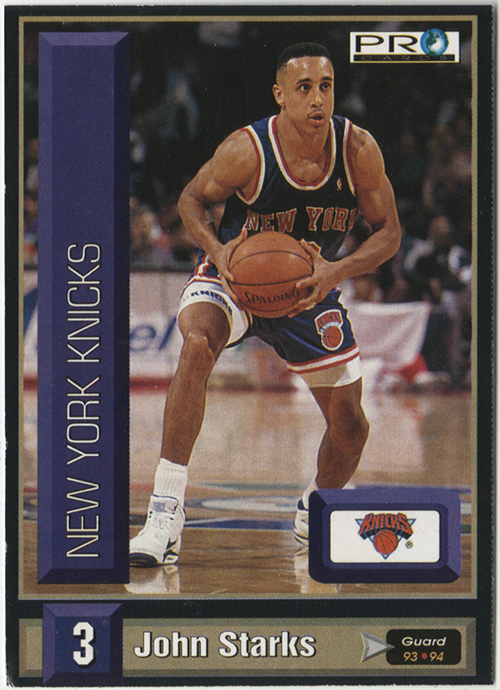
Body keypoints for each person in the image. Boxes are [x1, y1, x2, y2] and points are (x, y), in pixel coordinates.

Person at [130, 42, 401, 567]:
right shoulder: (248, 149)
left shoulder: (358, 150)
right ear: (280, 95)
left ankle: (315, 508)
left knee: (352, 428)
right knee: (197, 344)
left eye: (326, 87)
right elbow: (191, 199)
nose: (317, 99)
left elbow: (389, 233)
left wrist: (336, 271)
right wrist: (218, 251)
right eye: (304, 88)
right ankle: (164, 516)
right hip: (236, 278)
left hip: (309, 289)